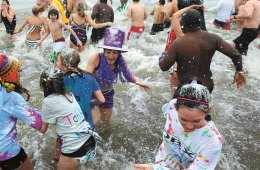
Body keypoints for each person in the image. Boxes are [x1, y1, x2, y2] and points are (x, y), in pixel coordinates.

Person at [135, 80, 222, 170]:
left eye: (196, 121)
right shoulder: (172, 106)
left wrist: (155, 169)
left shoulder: (212, 142)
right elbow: (166, 110)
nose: (189, 126)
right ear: (176, 107)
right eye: (183, 119)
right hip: (160, 162)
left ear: (208, 110)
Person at [159, 8, 246, 95]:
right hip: (207, 86)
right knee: (203, 106)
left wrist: (163, 56)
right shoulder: (213, 38)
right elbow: (236, 54)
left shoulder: (178, 43)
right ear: (200, 23)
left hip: (185, 88)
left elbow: (164, 67)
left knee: (176, 103)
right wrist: (239, 71)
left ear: (183, 23)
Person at [39, 67, 101, 170]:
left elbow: (43, 129)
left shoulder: (48, 102)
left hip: (74, 149)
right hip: (90, 142)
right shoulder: (69, 94)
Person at [85, 28, 150, 124]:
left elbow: (128, 74)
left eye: (114, 52)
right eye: (108, 52)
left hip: (107, 93)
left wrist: (137, 81)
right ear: (104, 50)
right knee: (94, 122)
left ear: (119, 53)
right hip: (92, 93)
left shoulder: (120, 60)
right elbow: (85, 78)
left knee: (106, 122)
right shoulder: (95, 58)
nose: (111, 56)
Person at [0, 53, 43, 170]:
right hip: (6, 152)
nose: (19, 73)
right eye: (17, 71)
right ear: (9, 75)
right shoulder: (10, 97)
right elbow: (41, 125)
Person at [55, 49, 105, 128]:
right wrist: (89, 103)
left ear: (65, 64)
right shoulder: (89, 77)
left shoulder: (60, 81)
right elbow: (102, 100)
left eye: (57, 60)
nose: (56, 62)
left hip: (71, 126)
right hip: (88, 126)